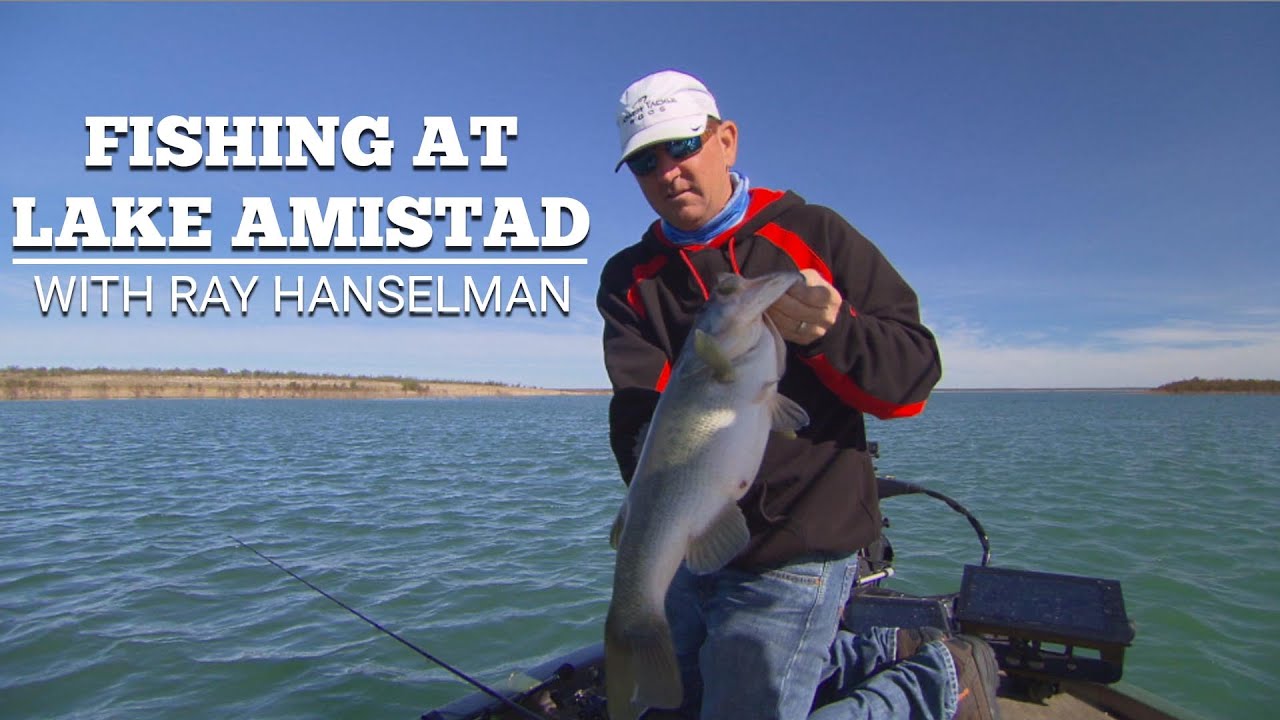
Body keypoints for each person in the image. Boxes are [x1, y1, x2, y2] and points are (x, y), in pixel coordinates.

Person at [597, 69, 1001, 720]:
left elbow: (913, 380)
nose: (667, 172)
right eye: (645, 161)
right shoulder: (627, 279)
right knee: (663, 706)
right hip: (696, 542)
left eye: (680, 147)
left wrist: (830, 334)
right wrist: (656, 530)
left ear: (726, 140)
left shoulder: (813, 232)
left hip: (801, 542)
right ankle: (871, 651)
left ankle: (939, 685)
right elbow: (637, 415)